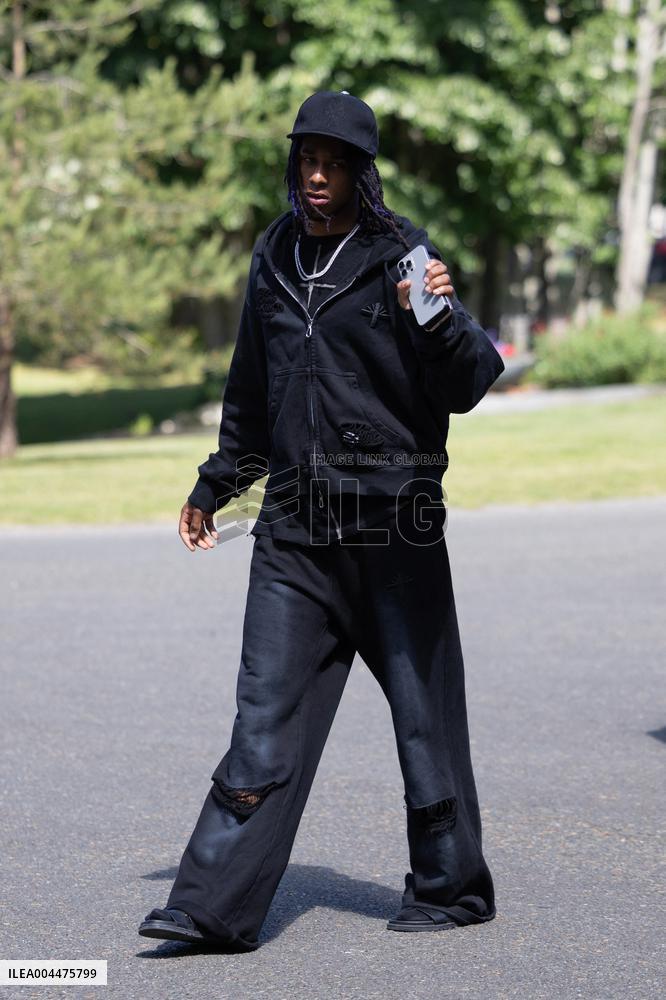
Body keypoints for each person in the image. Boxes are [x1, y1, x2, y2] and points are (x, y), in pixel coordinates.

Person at [138, 91, 505, 951]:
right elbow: (250, 388)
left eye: (335, 162)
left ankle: (450, 887)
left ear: (360, 171)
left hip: (394, 528)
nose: (316, 174)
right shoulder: (272, 255)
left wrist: (442, 319)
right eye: (307, 156)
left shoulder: (400, 252)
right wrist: (215, 482)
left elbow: (469, 381)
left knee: (423, 716)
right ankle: (211, 907)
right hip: (294, 535)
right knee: (262, 715)